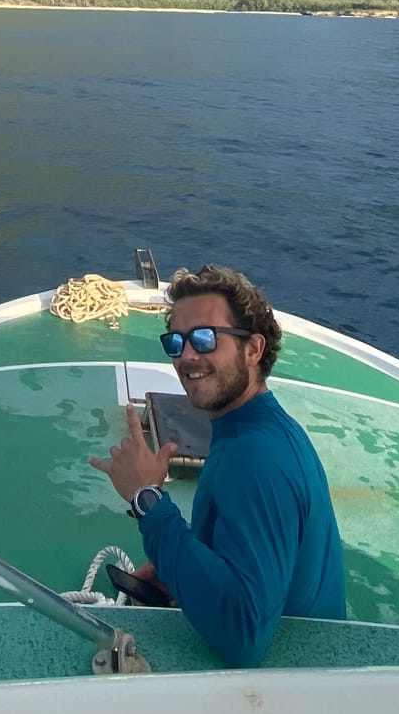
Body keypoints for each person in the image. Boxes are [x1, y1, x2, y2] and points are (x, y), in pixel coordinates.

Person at [89, 264, 345, 666]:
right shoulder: (255, 431)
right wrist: (180, 568)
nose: (187, 355)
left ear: (253, 350)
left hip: (292, 691)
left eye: (205, 338)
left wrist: (147, 500)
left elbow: (243, 635)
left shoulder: (256, 458)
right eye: (176, 342)